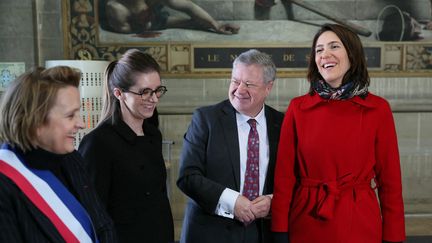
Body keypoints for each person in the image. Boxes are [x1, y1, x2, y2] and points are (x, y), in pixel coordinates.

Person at [271, 23, 406, 243]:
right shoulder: (297, 108)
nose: (325, 54)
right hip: (306, 220)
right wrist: (279, 230)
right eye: (319, 50)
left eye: (334, 46)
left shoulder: (378, 109)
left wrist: (394, 236)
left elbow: (390, 182)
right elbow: (284, 178)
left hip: (360, 222)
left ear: (352, 53)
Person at [177, 49, 284, 243]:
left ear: (268, 88)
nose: (239, 90)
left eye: (249, 84)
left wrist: (272, 201)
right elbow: (188, 177)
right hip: (211, 232)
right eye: (235, 81)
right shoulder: (206, 119)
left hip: (263, 233)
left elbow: (297, 179)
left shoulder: (283, 124)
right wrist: (232, 202)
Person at [0, 66, 117, 242]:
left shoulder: (72, 159)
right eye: (70, 116)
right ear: (35, 121)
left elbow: (102, 223)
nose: (81, 124)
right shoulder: (5, 183)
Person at [78, 49, 174, 243]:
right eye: (144, 92)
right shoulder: (98, 143)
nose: (154, 99)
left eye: (157, 90)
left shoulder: (153, 134)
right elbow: (93, 214)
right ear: (119, 93)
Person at [99, 0, 240, 35]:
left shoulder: (151, 5)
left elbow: (188, 7)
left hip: (149, 21)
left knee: (194, 23)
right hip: (137, 25)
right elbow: (131, 29)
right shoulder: (117, 10)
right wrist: (147, 24)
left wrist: (216, 25)